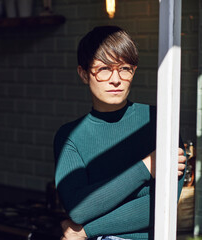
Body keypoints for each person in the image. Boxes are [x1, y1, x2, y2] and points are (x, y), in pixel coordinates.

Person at [54, 26, 186, 240]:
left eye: (124, 68)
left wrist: (86, 229)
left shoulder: (160, 122)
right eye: (104, 69)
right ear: (84, 74)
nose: (116, 79)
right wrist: (146, 167)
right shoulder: (70, 136)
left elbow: (163, 205)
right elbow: (79, 209)